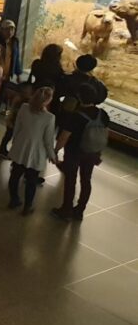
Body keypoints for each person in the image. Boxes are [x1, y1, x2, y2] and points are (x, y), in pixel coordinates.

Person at [52, 83, 110, 222]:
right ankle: (79, 211)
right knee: (86, 180)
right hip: (91, 152)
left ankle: (66, 210)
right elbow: (104, 133)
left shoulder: (75, 116)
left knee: (70, 180)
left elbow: (64, 137)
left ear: (79, 97)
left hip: (74, 152)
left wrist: (55, 151)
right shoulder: (103, 114)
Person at [7, 86, 56, 214]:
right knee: (31, 181)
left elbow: (17, 126)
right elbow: (48, 140)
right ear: (48, 100)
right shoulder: (49, 118)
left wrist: (15, 142)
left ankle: (14, 199)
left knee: (15, 175)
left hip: (20, 147)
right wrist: (52, 155)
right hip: (36, 153)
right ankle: (27, 207)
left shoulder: (24, 108)